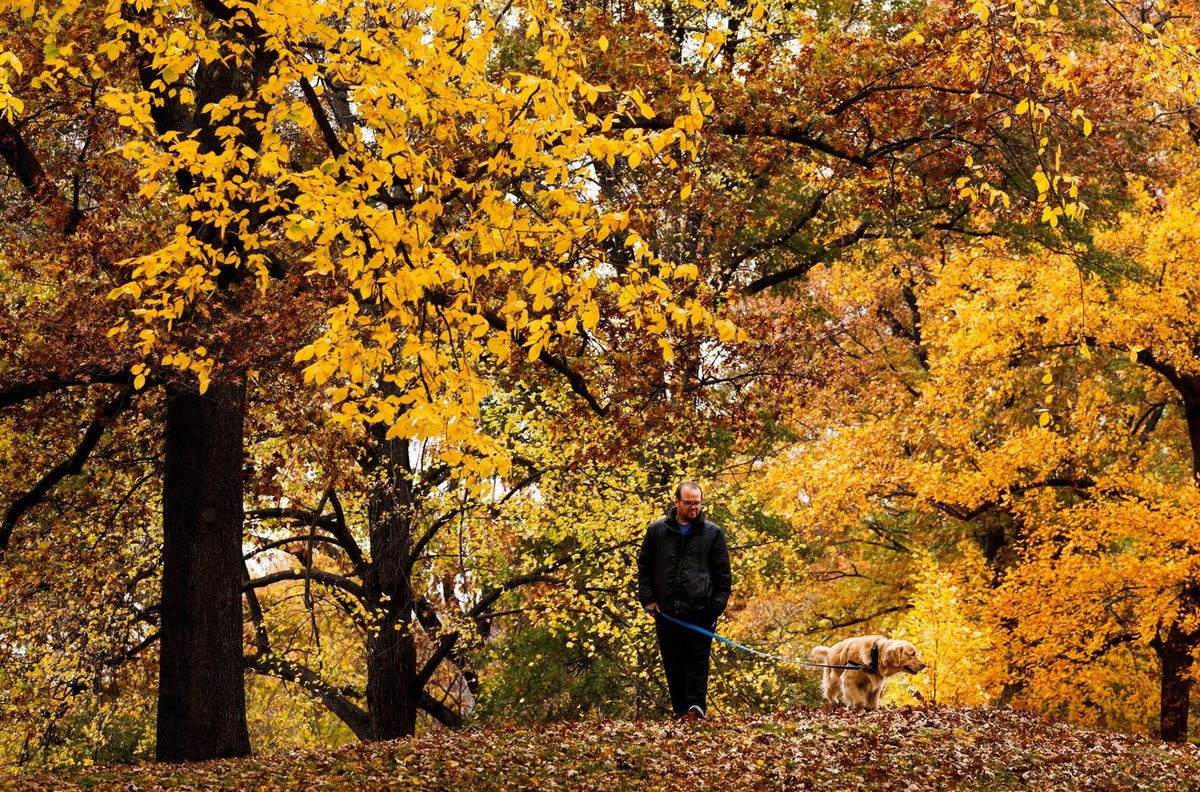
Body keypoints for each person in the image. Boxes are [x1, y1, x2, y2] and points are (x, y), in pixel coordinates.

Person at [637, 481, 732, 721]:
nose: (693, 507)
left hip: (701, 613)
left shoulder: (713, 533)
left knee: (698, 663)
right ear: (676, 502)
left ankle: (695, 709)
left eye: (697, 503)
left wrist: (715, 607)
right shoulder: (656, 531)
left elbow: (724, 576)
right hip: (667, 613)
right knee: (673, 664)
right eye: (688, 502)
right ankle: (681, 711)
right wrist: (648, 600)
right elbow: (644, 568)